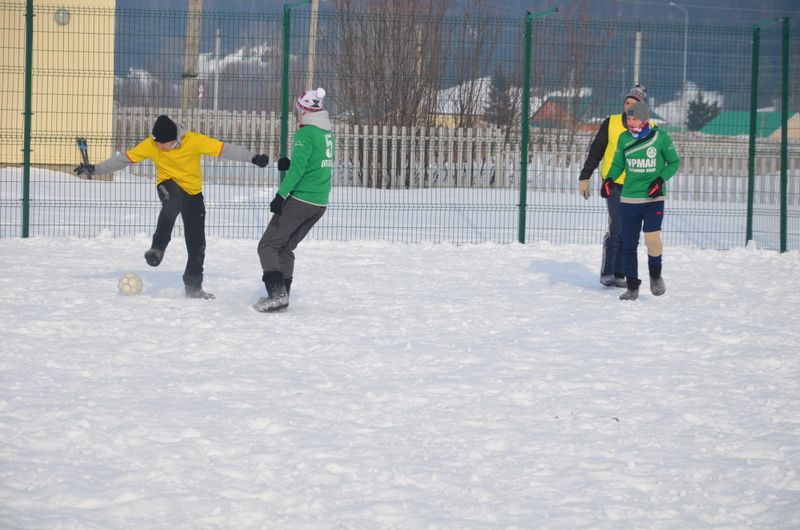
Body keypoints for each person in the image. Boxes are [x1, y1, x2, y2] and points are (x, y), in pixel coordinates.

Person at [74, 115, 272, 299]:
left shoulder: (194, 141)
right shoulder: (151, 145)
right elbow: (124, 158)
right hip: (167, 185)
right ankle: (157, 248)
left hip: (193, 192)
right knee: (173, 200)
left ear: (175, 139)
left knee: (197, 242)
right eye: (157, 143)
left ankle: (194, 287)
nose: (160, 147)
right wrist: (96, 169)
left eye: (164, 143)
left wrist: (253, 158)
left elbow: (225, 149)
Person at [254, 87, 334, 312]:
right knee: (285, 247)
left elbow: (299, 170)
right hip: (319, 202)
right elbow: (314, 163)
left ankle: (277, 295)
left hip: (302, 200)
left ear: (303, 110)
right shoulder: (325, 132)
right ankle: (283, 296)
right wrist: (290, 163)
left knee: (267, 245)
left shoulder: (305, 133)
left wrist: (281, 195)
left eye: (298, 109)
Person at [602, 101, 680, 301]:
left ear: (645, 118)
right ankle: (632, 287)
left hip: (653, 199)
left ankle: (655, 276)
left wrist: (659, 180)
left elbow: (674, 162)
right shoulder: (623, 138)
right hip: (629, 199)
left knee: (652, 240)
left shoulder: (660, 138)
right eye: (628, 118)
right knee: (628, 244)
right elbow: (618, 163)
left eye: (634, 118)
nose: (630, 122)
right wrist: (609, 179)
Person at [578, 84, 650, 288]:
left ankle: (620, 273)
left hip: (637, 187)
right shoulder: (611, 123)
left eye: (634, 103)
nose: (629, 107)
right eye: (627, 102)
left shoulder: (649, 129)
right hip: (613, 184)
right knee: (617, 226)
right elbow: (596, 151)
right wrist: (585, 176)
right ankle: (608, 271)